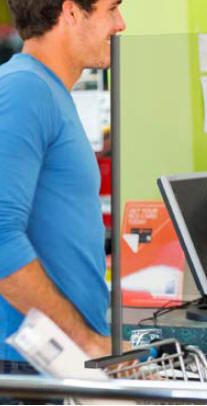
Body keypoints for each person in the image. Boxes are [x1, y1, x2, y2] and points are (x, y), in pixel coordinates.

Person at [0, 0, 126, 373]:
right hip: (29, 364)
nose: (120, 24)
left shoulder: (47, 91)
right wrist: (82, 338)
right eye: (111, 9)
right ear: (71, 11)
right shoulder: (25, 90)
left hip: (59, 358)